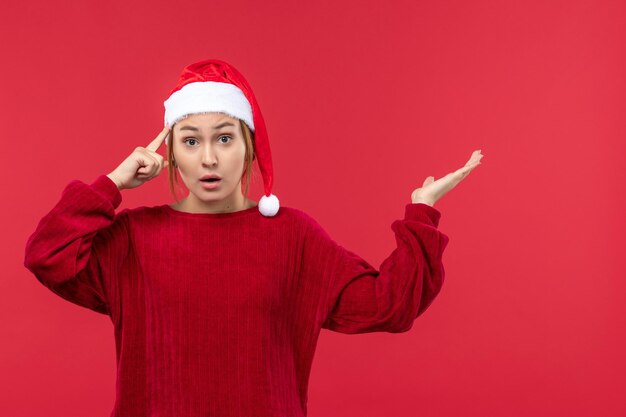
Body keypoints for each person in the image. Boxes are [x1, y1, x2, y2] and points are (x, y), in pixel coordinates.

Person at [23, 59, 483, 417]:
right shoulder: (133, 239)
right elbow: (47, 254)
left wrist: (422, 211)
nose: (208, 158)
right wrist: (112, 185)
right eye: (190, 141)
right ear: (170, 153)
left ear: (248, 147)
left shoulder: (291, 236)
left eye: (224, 139)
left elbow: (388, 303)